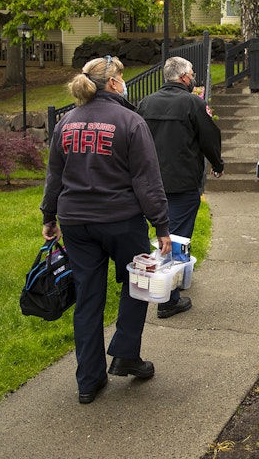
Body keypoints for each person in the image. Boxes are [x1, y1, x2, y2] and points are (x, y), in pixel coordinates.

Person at [40, 55, 172, 405]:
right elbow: (147, 180)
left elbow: (54, 175)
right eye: (122, 77)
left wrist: (48, 217)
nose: (124, 82)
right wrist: (161, 225)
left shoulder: (65, 122)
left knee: (88, 297)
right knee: (139, 281)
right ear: (113, 83)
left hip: (76, 222)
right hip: (120, 219)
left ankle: (88, 380)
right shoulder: (130, 121)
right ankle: (126, 353)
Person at [136, 56, 224, 317]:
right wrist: (217, 164)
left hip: (149, 184)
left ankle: (170, 282)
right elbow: (210, 137)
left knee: (161, 235)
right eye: (192, 73)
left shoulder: (145, 103)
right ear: (185, 77)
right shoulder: (193, 103)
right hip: (182, 183)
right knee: (176, 239)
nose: (194, 77)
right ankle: (168, 299)